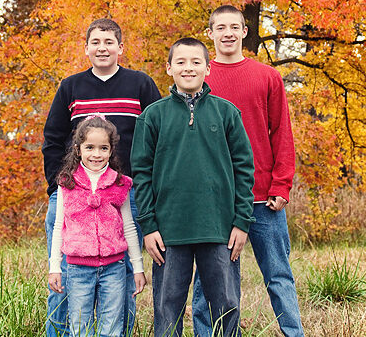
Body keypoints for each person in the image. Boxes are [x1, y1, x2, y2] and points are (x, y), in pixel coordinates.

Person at [43, 18, 161, 337]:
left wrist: (148, 187)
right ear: (86, 48)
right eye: (95, 42)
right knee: (67, 271)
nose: (102, 48)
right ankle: (60, 332)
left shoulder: (141, 84)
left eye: (109, 42)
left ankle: (118, 332)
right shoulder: (71, 86)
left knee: (122, 273)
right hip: (74, 192)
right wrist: (58, 186)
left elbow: (158, 137)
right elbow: (53, 137)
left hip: (127, 194)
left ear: (121, 48)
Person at [131, 37, 255, 337]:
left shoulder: (226, 113)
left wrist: (241, 221)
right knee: (167, 306)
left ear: (208, 68)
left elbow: (244, 169)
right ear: (169, 67)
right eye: (181, 62)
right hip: (168, 231)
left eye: (196, 62)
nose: (189, 68)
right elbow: (141, 173)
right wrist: (148, 226)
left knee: (226, 303)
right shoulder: (153, 116)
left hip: (219, 229)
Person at [192, 6, 304, 337]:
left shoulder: (267, 76)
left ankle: (293, 332)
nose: (227, 33)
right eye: (220, 27)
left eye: (234, 27)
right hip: (214, 200)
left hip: (262, 199)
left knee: (279, 275)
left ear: (244, 32)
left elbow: (281, 133)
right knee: (211, 281)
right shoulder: (198, 77)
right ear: (210, 34)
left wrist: (282, 185)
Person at [49, 115, 147, 337]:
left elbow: (129, 227)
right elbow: (58, 227)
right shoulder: (68, 184)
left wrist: (138, 267)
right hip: (78, 269)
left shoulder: (120, 183)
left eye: (103, 148)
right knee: (79, 327)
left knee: (111, 328)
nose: (96, 154)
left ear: (111, 151)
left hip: (114, 269)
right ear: (78, 149)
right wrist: (55, 267)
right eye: (90, 147)